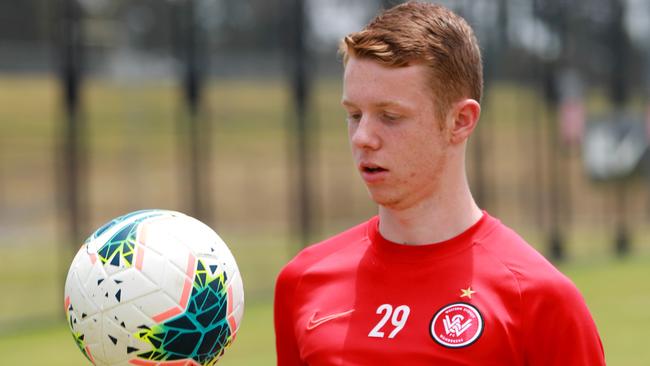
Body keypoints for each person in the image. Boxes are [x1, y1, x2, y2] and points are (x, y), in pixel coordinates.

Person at [274, 2, 605, 365]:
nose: (362, 137)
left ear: (461, 121)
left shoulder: (539, 300)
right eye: (354, 115)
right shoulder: (303, 281)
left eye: (390, 116)